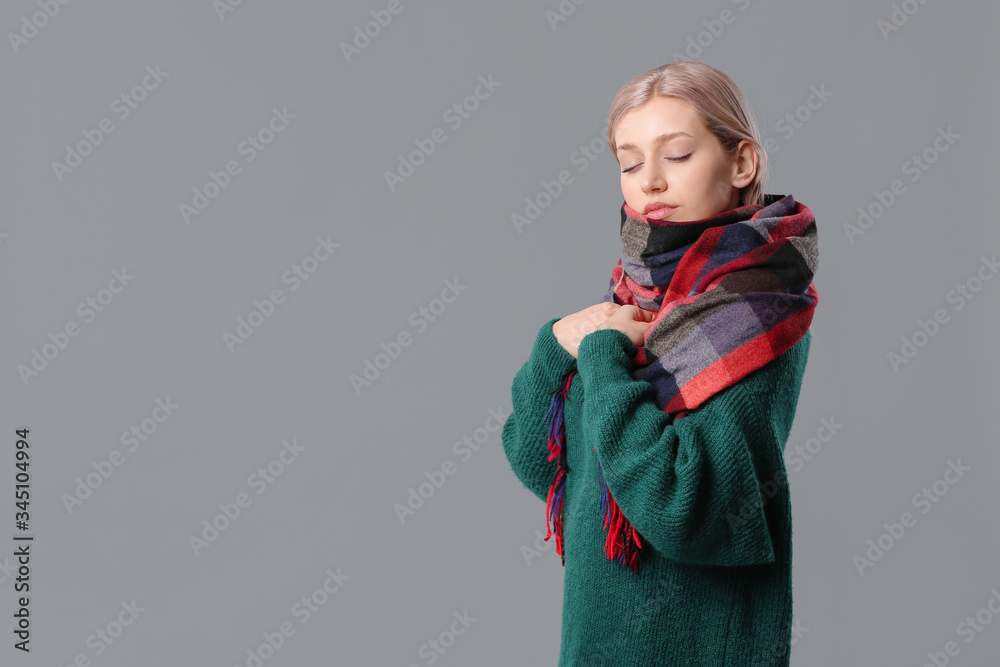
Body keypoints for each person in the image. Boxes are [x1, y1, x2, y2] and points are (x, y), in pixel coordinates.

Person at [501, 61, 819, 667]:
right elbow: (539, 462)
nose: (648, 181)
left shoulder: (756, 310)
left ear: (742, 163)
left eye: (675, 155)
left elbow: (684, 507)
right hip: (596, 642)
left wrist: (598, 353)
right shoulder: (634, 299)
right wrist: (557, 343)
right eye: (628, 162)